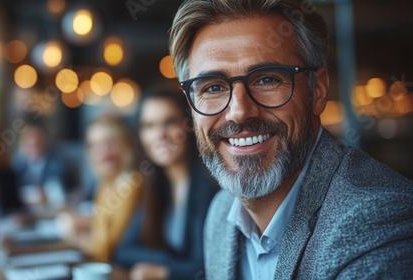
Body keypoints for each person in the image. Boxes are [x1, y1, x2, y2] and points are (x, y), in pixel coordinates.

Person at [168, 0, 413, 279]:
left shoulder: (376, 220)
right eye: (212, 87)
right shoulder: (221, 212)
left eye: (266, 80)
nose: (238, 112)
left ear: (317, 90)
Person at [114, 86, 218, 280]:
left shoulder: (207, 184)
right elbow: (124, 251)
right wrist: (172, 264)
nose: (160, 135)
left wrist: (164, 272)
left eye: (170, 122)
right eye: (149, 126)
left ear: (189, 126)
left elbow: (207, 267)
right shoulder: (156, 181)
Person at [66, 113, 142, 263]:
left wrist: (73, 236)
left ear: (125, 144)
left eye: (110, 143)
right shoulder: (106, 183)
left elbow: (104, 252)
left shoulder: (130, 183)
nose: (102, 153)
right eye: (94, 145)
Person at [12, 123, 77, 209]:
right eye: (29, 145)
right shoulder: (18, 165)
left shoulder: (58, 163)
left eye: (37, 145)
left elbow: (57, 191)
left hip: (52, 210)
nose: (33, 149)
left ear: (44, 143)